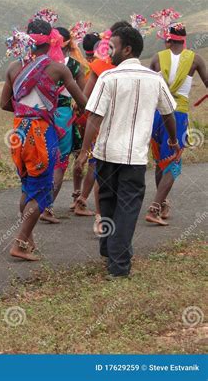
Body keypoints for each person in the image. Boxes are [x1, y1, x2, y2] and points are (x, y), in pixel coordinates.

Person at [75, 26, 180, 280]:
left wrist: (84, 152)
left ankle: (110, 252)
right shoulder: (154, 79)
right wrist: (174, 140)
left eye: (113, 47)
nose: (108, 51)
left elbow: (94, 118)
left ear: (127, 49)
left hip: (105, 153)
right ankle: (119, 265)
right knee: (128, 207)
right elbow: (168, 113)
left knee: (109, 202)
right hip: (133, 157)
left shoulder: (108, 78)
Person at [0, 19, 86, 261]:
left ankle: (28, 239)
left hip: (18, 132)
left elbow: (4, 103)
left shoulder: (13, 67)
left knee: (28, 185)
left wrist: (25, 112)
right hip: (41, 134)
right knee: (43, 190)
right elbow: (83, 102)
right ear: (51, 42)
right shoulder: (58, 69)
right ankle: (19, 241)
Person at [146, 24, 208, 225]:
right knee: (173, 161)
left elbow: (147, 87)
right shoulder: (195, 59)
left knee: (160, 161)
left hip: (157, 114)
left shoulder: (156, 57)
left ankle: (162, 203)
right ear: (184, 40)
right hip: (178, 115)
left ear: (168, 40)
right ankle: (155, 208)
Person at [74, 21, 131, 234]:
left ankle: (100, 215)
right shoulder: (133, 66)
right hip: (124, 125)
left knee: (100, 168)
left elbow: (87, 98)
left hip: (100, 123)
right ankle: (110, 214)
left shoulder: (99, 66)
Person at [40, 26, 86, 224]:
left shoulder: (40, 64)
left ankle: (34, 204)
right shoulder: (74, 67)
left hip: (41, 116)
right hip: (64, 117)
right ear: (69, 43)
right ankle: (47, 207)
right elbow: (83, 96)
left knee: (42, 159)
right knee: (60, 163)